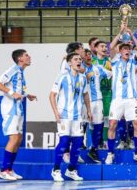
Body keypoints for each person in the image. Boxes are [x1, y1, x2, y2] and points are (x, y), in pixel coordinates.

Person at [0, 49, 37, 181]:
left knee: (18, 139)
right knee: (13, 138)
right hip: (10, 108)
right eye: (26, 55)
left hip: (18, 108)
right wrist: (12, 93)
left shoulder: (21, 72)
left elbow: (17, 90)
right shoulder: (13, 69)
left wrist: (26, 95)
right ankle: (3, 170)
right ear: (20, 59)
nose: (29, 57)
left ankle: (9, 169)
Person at [105, 26, 137, 165]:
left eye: (128, 48)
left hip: (131, 99)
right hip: (117, 99)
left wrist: (132, 35)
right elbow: (110, 47)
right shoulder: (115, 61)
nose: (127, 50)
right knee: (112, 124)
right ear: (120, 51)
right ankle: (110, 153)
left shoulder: (134, 60)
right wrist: (120, 33)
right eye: (124, 48)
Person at [49, 52, 92, 182]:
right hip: (64, 115)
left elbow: (85, 95)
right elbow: (51, 95)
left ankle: (71, 170)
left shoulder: (83, 78)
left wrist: (89, 110)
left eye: (80, 59)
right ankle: (56, 170)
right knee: (64, 141)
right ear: (69, 63)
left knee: (78, 143)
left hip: (77, 116)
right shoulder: (62, 76)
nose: (79, 61)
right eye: (75, 59)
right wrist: (56, 112)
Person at [83, 49, 112, 162]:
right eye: (86, 55)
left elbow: (111, 73)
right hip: (85, 101)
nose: (89, 56)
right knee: (83, 124)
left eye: (90, 54)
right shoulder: (79, 69)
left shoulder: (97, 68)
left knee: (98, 125)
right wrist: (86, 76)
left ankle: (93, 149)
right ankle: (77, 148)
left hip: (98, 100)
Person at [92, 40, 112, 149]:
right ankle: (93, 144)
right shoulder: (92, 62)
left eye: (105, 46)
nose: (105, 48)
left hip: (108, 93)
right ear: (95, 49)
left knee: (106, 119)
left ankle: (105, 142)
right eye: (102, 46)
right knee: (93, 120)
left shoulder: (109, 62)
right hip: (95, 95)